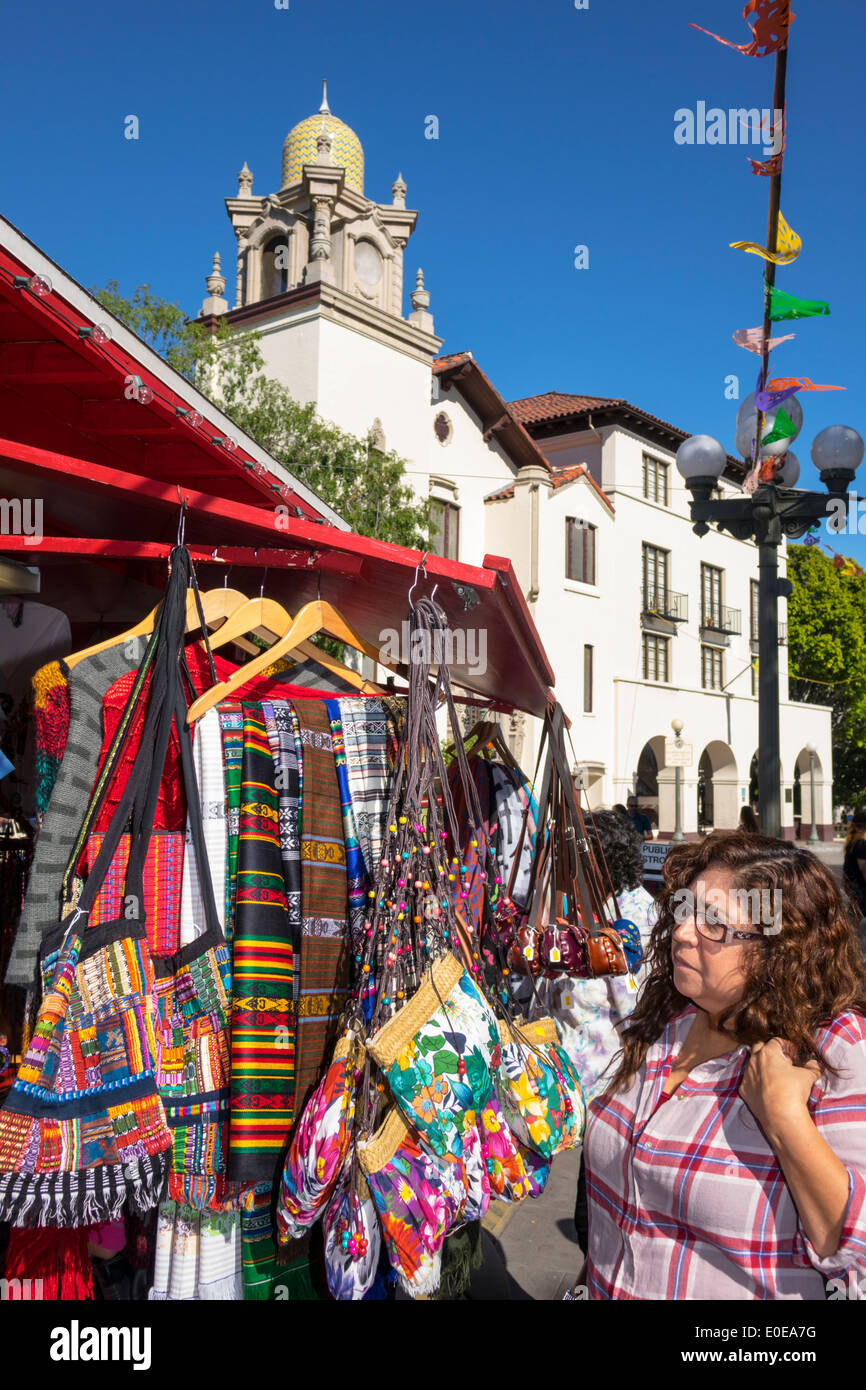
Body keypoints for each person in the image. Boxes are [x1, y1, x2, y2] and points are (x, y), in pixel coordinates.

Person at [582, 832, 866, 1300]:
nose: (682, 931)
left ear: (779, 947)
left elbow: (852, 1247)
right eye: (684, 909)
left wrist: (785, 1118)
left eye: (715, 923)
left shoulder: (830, 1050)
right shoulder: (665, 1019)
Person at [538, 811, 657, 1254]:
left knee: (600, 1226)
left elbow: (638, 1017)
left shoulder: (630, 921)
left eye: (568, 860)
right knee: (592, 1220)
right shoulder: (594, 910)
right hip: (583, 1099)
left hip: (614, 1101)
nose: (560, 872)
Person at [843, 810, 866, 917]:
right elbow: (863, 868)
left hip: (851, 885)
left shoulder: (851, 841)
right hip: (860, 887)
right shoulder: (862, 844)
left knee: (855, 915)